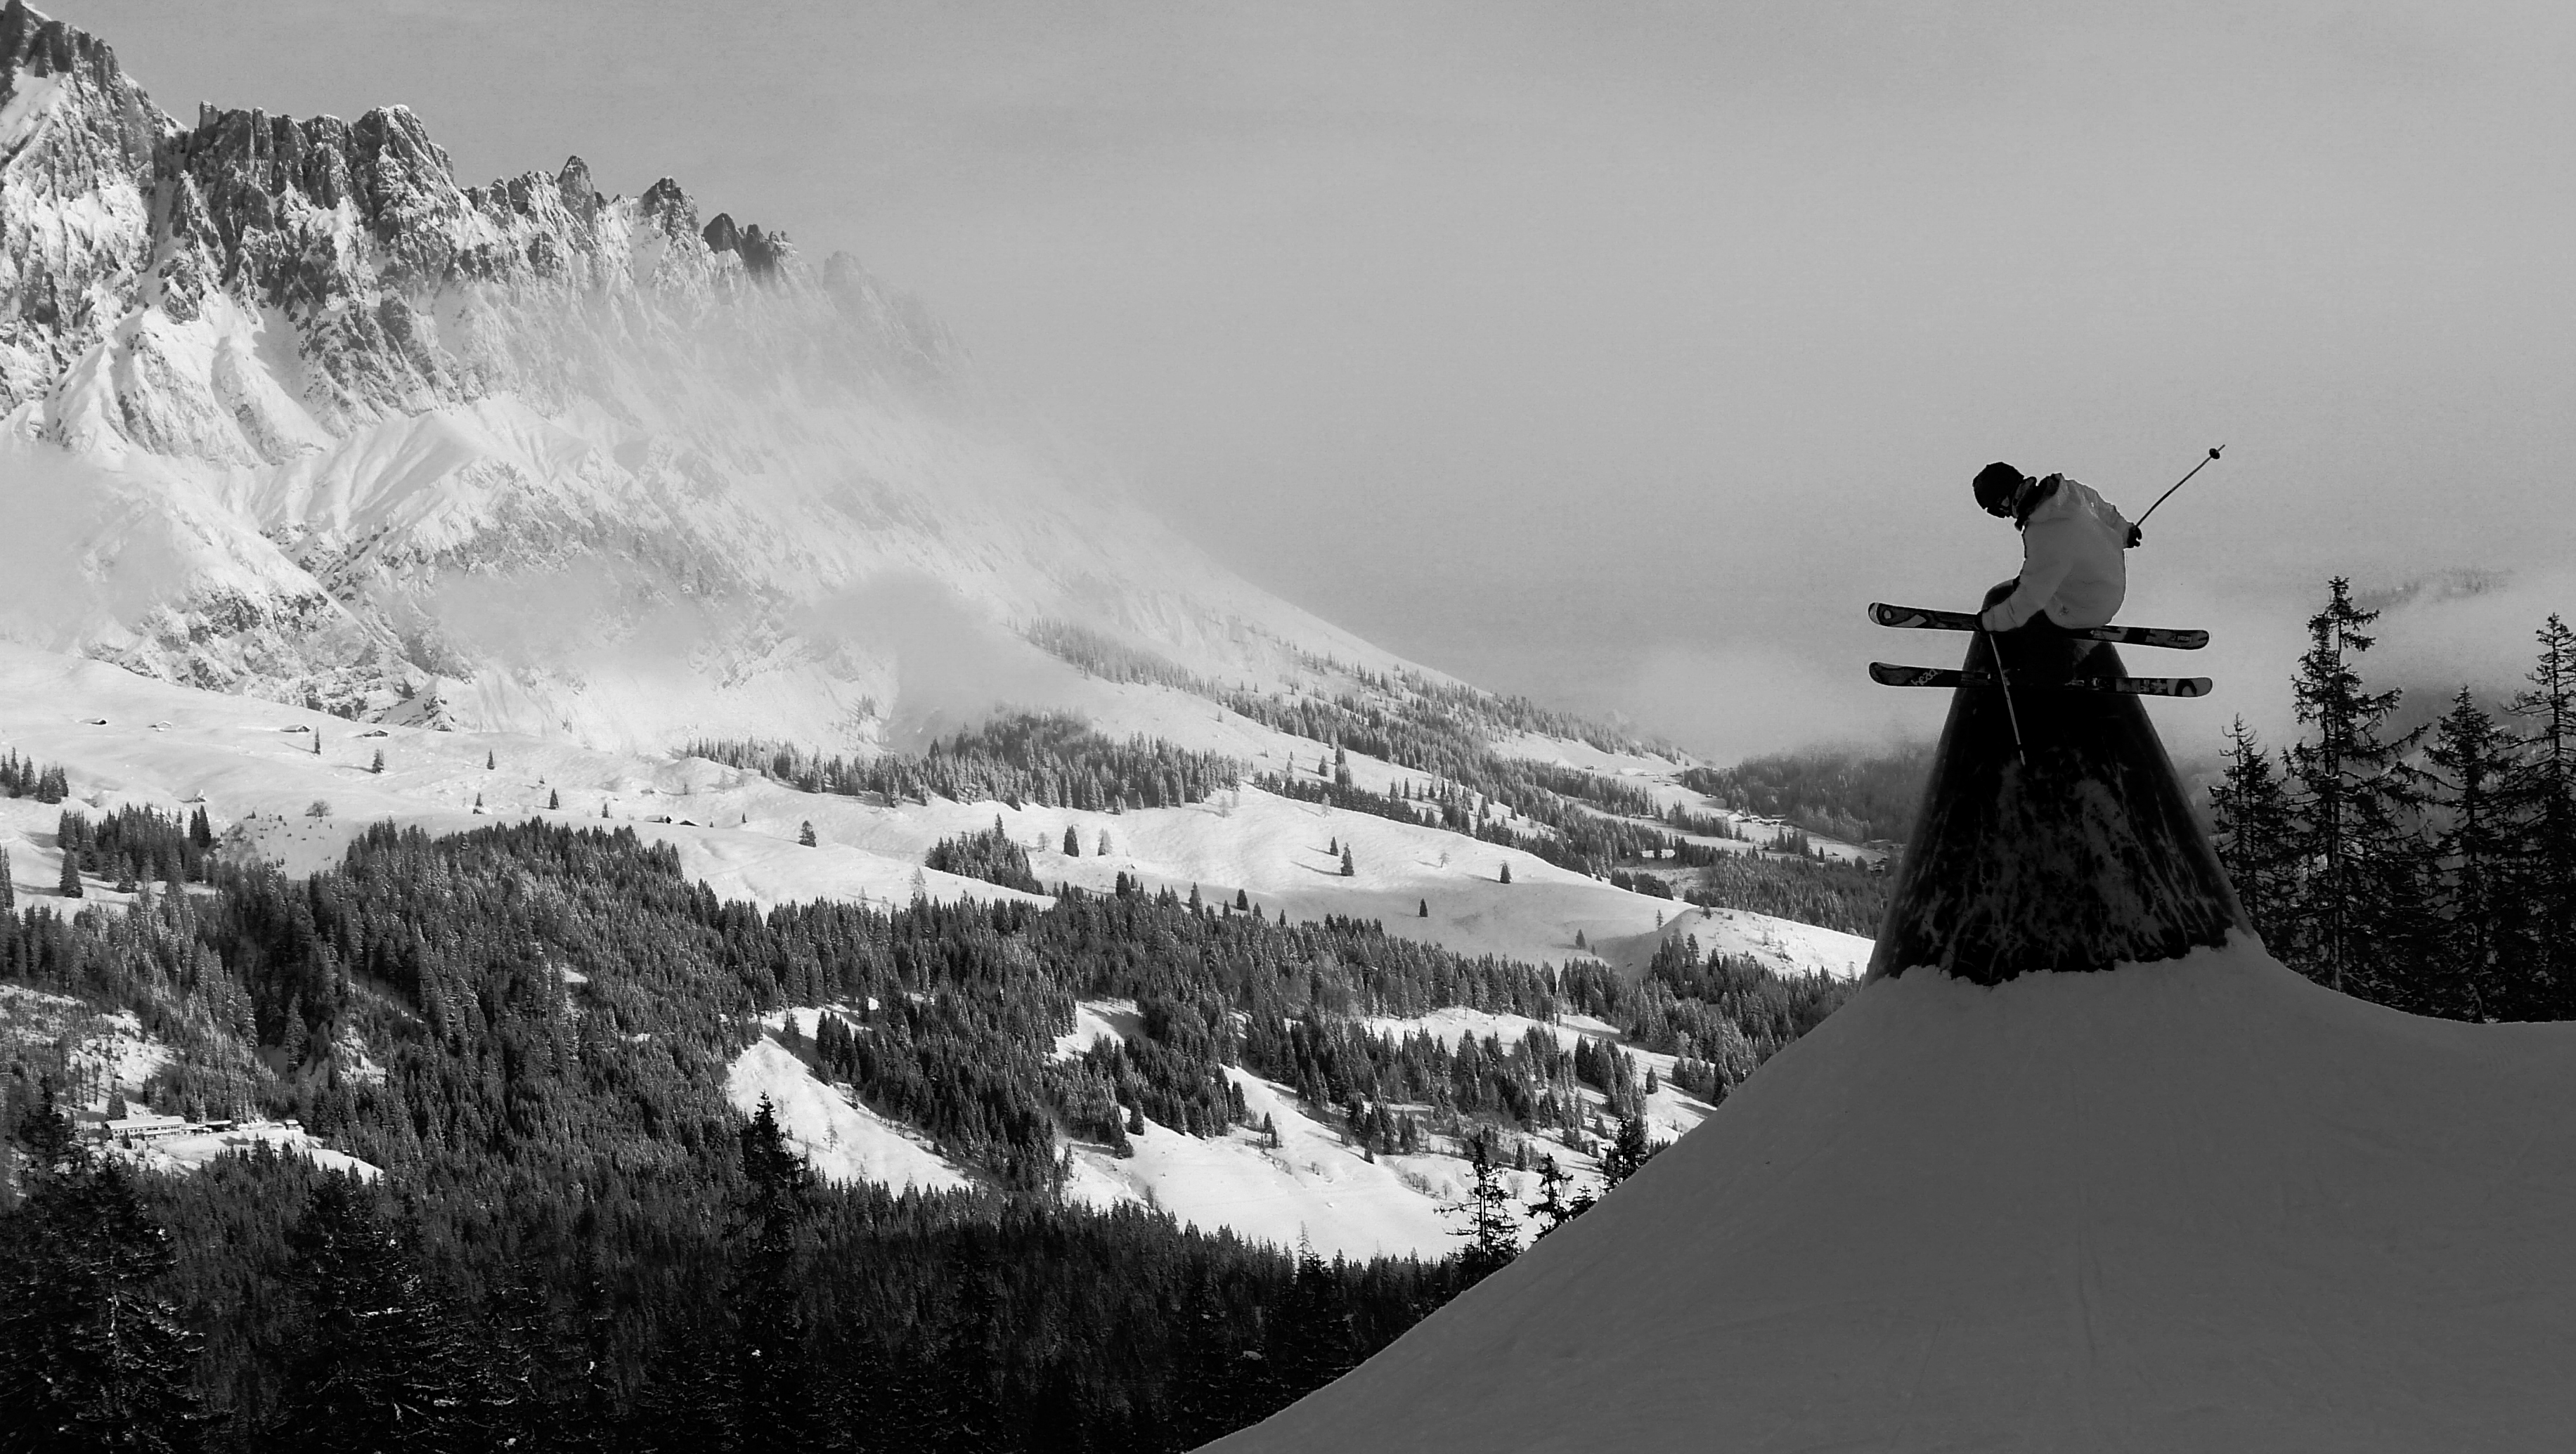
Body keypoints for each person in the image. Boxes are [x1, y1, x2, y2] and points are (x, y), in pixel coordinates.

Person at [1970, 461, 2142, 636]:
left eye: (1996, 511)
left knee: (2020, 612)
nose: (2005, 515)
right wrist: (2125, 531)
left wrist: (1987, 621)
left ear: (2004, 500)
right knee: (2032, 581)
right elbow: (2101, 508)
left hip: (2088, 610)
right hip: (2110, 580)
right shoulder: (2068, 491)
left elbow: (2029, 600)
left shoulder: (2044, 535)